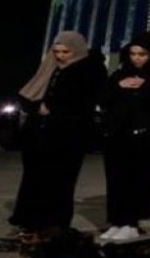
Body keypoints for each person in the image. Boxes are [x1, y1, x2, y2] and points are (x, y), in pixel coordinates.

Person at [9, 31, 107, 240]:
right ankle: (30, 221)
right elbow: (29, 93)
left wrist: (54, 109)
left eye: (66, 52)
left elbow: (85, 102)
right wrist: (39, 108)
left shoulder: (89, 69)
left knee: (60, 181)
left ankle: (54, 223)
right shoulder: (51, 66)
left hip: (68, 135)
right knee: (34, 179)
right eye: (57, 51)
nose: (60, 56)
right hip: (39, 133)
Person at [98, 32, 150, 241]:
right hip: (117, 136)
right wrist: (119, 86)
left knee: (138, 180)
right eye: (133, 54)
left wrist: (145, 87)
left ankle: (131, 223)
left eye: (142, 54)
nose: (136, 58)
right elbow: (103, 98)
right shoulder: (120, 74)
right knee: (115, 179)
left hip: (146, 138)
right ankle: (116, 221)